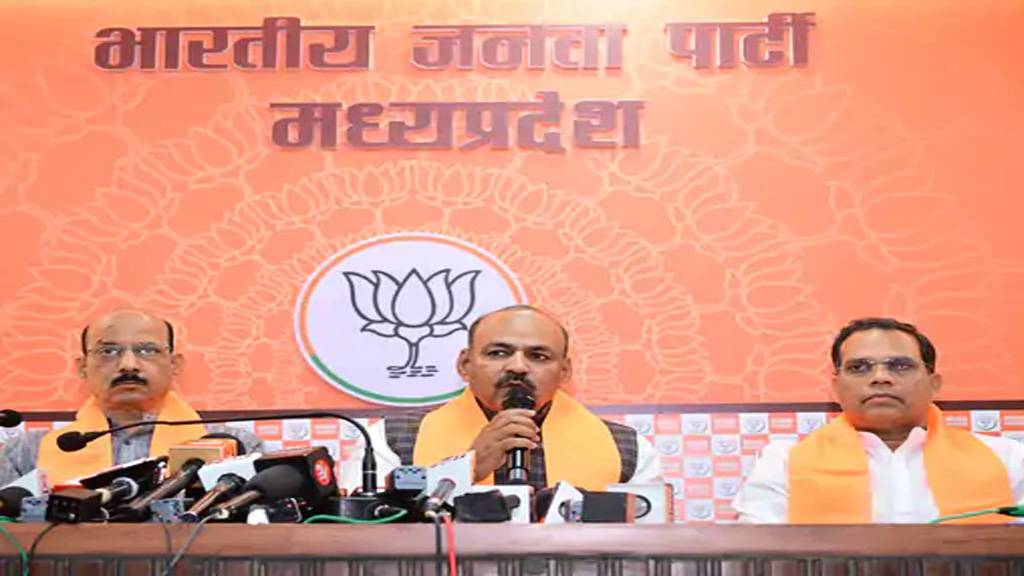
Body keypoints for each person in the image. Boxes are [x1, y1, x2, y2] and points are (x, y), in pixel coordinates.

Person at [339, 305, 664, 493]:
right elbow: (359, 534)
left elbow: (650, 547)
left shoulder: (628, 448)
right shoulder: (391, 438)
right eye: (498, 353)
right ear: (465, 364)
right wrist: (468, 467)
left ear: (565, 371)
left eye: (538, 356)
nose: (517, 367)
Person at [733, 317, 1024, 524]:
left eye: (901, 366)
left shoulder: (1007, 459)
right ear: (836, 388)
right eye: (859, 367)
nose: (880, 377)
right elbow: (759, 558)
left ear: (934, 384)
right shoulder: (783, 462)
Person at [0, 308, 263, 486]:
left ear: (175, 364)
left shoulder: (234, 447)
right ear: (82, 367)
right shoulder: (26, 453)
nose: (128, 365)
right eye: (108, 351)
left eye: (147, 350)